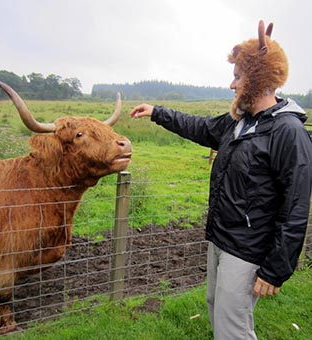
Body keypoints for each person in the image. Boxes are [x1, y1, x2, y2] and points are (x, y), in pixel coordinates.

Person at [130, 20, 312, 340]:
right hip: (221, 239)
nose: (232, 85)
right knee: (216, 307)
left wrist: (275, 269)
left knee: (232, 329)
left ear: (256, 79)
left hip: (247, 250)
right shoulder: (240, 123)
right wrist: (157, 112)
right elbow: (200, 127)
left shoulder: (288, 132)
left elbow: (296, 208)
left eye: (238, 76)